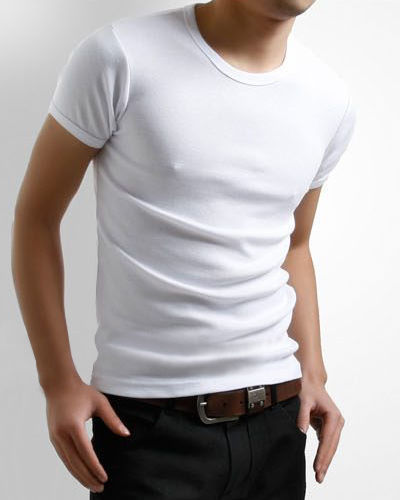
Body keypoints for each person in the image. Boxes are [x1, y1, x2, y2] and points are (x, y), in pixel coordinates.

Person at [11, 0, 356, 498]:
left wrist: (314, 371)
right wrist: (57, 382)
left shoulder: (330, 99)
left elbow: (295, 244)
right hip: (149, 429)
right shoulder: (120, 56)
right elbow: (37, 218)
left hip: (278, 425)